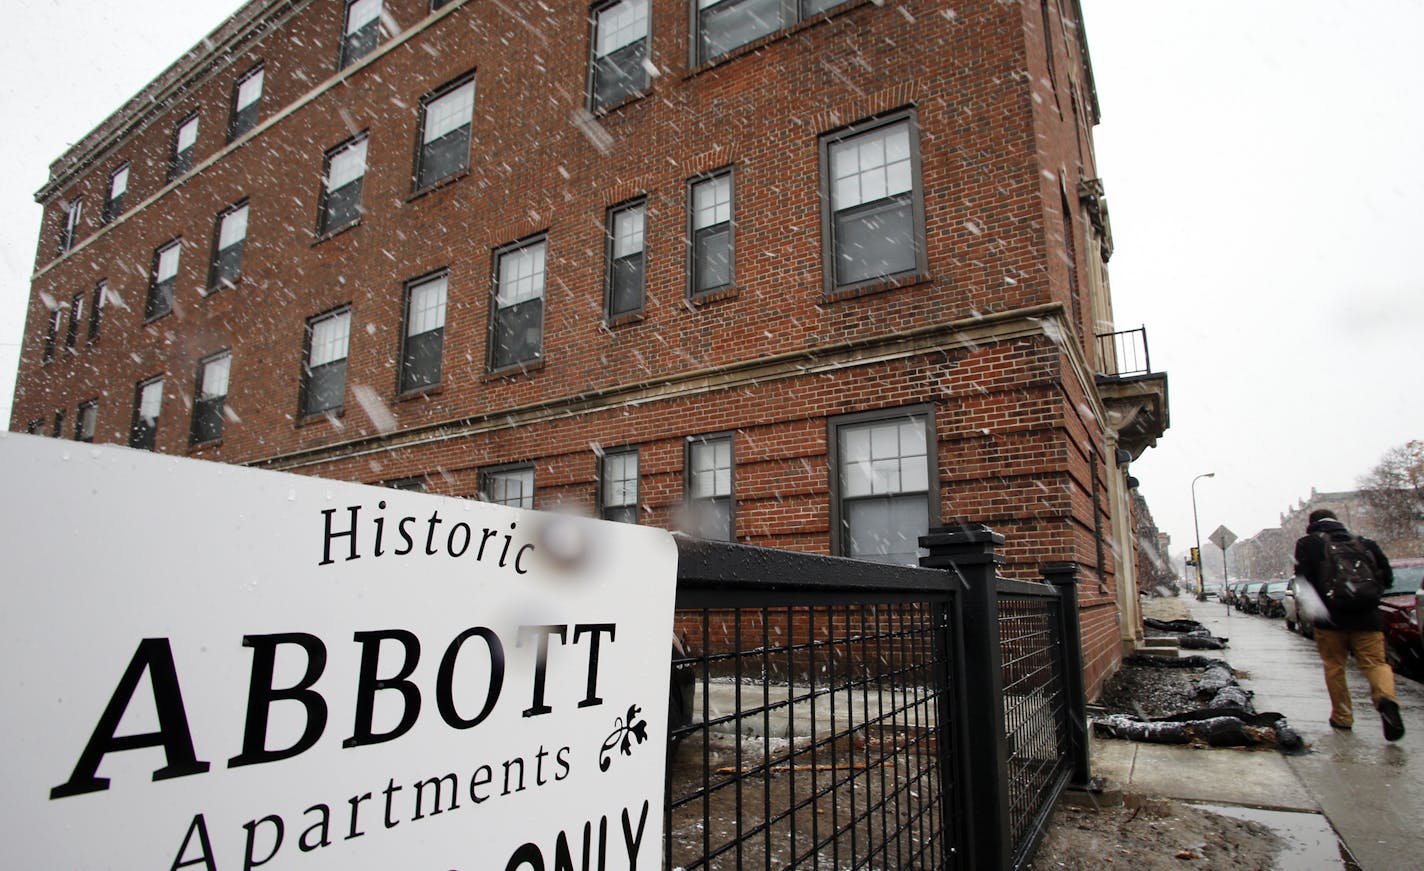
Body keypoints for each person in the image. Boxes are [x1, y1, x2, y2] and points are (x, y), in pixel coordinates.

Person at [1293, 508, 1405, 741]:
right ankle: (1386, 700)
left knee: (1335, 666)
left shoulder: (1308, 544)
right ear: (1336, 521)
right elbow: (1386, 577)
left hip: (1329, 620)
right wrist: (1366, 599)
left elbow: (1302, 581)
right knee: (1375, 664)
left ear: (1311, 523)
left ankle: (1342, 717)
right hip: (1367, 617)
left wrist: (1314, 611)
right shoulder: (1364, 543)